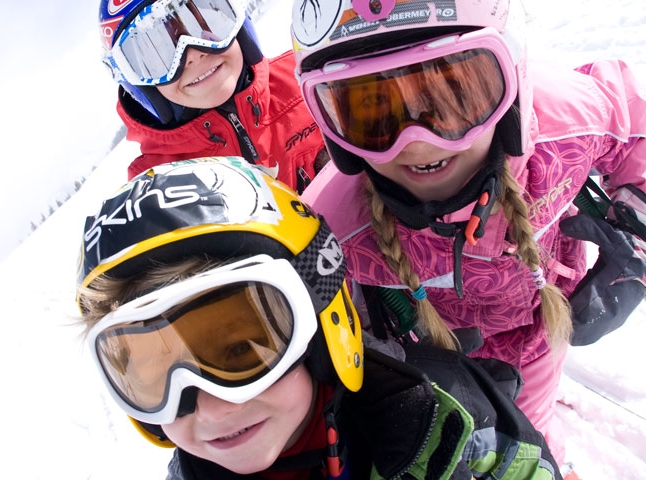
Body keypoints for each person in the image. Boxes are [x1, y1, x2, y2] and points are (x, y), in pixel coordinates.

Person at [290, 0, 646, 466]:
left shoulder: (567, 127)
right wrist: (387, 369)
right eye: (373, 113)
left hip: (544, 327)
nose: (418, 141)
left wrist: (635, 238)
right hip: (437, 356)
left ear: (511, 79)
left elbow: (632, 127)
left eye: (454, 95)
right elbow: (309, 333)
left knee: (533, 439)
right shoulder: (335, 226)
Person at [76, 156, 561, 479]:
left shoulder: (446, 429)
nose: (212, 409)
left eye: (242, 351)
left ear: (321, 322)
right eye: (156, 376)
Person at [98, 0, 328, 193]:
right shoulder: (157, 185)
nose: (194, 55)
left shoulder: (311, 82)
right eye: (161, 54)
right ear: (138, 83)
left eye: (204, 24)